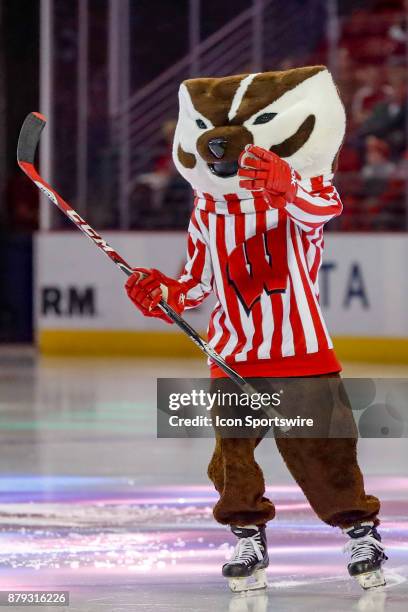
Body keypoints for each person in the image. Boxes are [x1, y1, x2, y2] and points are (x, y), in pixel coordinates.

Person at [125, 66, 387, 592]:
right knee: (233, 455)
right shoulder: (207, 209)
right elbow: (199, 283)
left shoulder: (305, 190)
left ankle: (360, 530)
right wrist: (166, 294)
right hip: (231, 353)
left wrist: (285, 184)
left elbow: (322, 210)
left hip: (300, 348)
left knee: (325, 448)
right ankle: (246, 533)